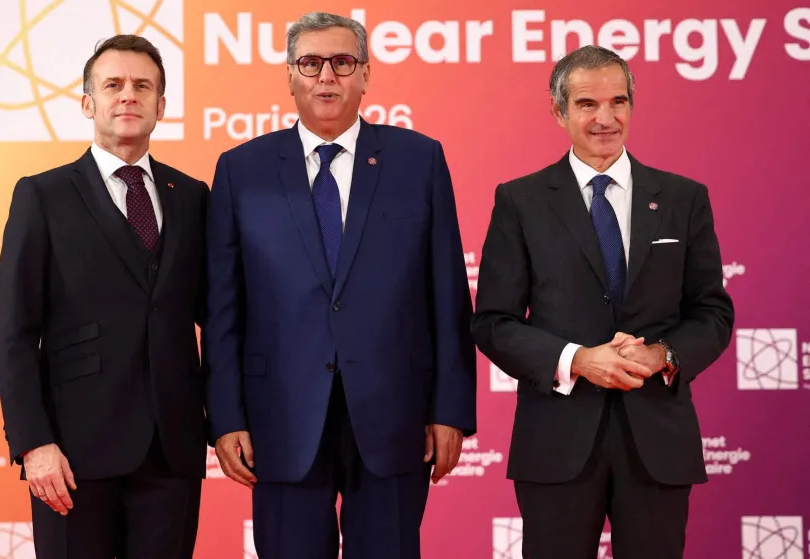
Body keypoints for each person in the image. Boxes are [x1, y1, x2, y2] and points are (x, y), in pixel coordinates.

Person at [204, 11, 476, 559]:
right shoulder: (241, 169)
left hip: (396, 415)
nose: (326, 76)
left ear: (366, 73)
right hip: (277, 417)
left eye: (343, 61)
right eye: (310, 62)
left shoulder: (418, 160)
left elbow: (446, 294)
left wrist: (450, 409)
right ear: (290, 76)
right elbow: (224, 308)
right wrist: (226, 418)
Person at [471, 45, 734, 558]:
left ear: (633, 105)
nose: (606, 118)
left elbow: (713, 311)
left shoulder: (683, 198)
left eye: (618, 101)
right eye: (587, 104)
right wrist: (577, 360)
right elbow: (494, 322)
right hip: (556, 443)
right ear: (558, 110)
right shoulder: (520, 200)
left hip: (658, 439)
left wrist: (665, 355)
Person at [0, 34, 208, 559]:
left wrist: (227, 421)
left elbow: (219, 321)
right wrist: (33, 443)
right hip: (70, 457)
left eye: (143, 86)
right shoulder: (41, 195)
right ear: (88, 103)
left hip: (171, 453)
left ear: (162, 105)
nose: (128, 96)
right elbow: (15, 334)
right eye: (113, 85)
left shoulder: (195, 197)